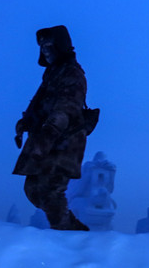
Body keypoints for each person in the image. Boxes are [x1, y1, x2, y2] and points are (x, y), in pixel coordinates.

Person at [13, 25, 97, 231]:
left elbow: (65, 109)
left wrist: (47, 136)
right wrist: (26, 123)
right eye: (42, 47)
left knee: (51, 191)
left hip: (65, 141)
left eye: (49, 46)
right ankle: (72, 228)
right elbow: (41, 103)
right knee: (33, 189)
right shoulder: (53, 73)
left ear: (60, 46)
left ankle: (70, 237)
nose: (45, 51)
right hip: (46, 138)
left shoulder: (72, 73)